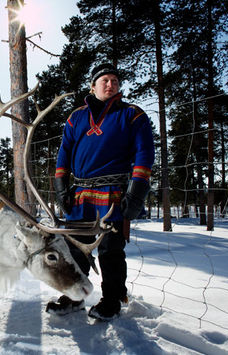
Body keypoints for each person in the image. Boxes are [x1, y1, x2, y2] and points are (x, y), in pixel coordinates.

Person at [47, 63, 155, 320]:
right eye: (105, 80)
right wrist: (61, 185)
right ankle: (74, 295)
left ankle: (112, 300)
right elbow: (64, 152)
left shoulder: (132, 115)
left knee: (110, 249)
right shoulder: (76, 117)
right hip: (80, 193)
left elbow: (144, 153)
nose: (111, 84)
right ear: (93, 86)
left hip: (113, 192)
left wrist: (137, 190)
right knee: (76, 248)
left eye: (115, 80)